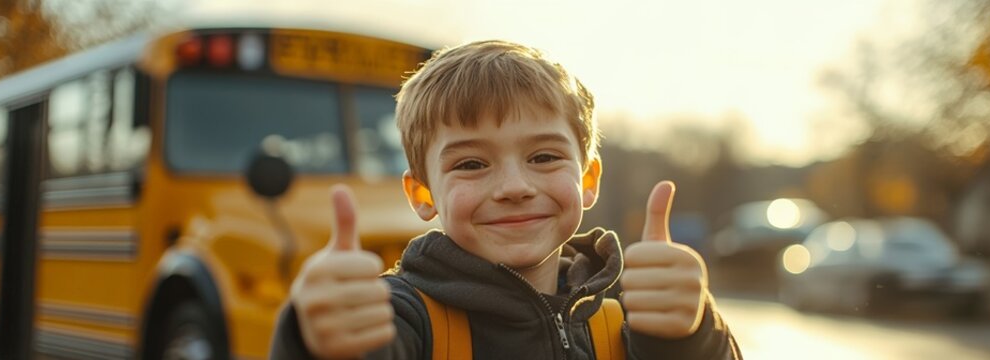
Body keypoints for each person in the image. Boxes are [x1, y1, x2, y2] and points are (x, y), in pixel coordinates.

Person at [270, 39, 741, 359]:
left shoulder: (632, 310)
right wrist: (317, 342)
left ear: (589, 178)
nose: (515, 186)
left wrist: (693, 334)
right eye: (472, 164)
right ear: (422, 193)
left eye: (543, 156)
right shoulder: (404, 318)